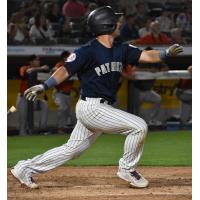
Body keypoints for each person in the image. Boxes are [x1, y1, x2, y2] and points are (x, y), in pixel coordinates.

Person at [11, 6, 183, 189]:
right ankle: (127, 168)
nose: (119, 23)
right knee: (139, 126)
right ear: (106, 24)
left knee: (72, 150)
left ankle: (25, 168)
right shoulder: (87, 51)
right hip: (92, 108)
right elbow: (65, 70)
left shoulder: (121, 49)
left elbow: (146, 55)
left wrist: (165, 53)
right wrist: (45, 85)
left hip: (101, 109)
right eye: (116, 20)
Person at [16, 55, 49, 135]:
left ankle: (42, 128)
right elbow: (27, 72)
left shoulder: (39, 72)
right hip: (23, 97)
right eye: (36, 60)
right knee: (23, 119)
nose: (38, 61)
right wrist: (41, 68)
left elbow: (47, 71)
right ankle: (22, 134)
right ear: (31, 62)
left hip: (33, 98)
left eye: (39, 60)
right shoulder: (24, 68)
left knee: (44, 104)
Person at [51, 51, 76, 133]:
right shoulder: (60, 64)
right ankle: (60, 128)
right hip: (59, 92)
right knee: (62, 109)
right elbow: (54, 70)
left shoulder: (73, 65)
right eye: (69, 56)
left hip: (68, 93)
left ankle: (65, 128)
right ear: (64, 57)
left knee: (69, 111)